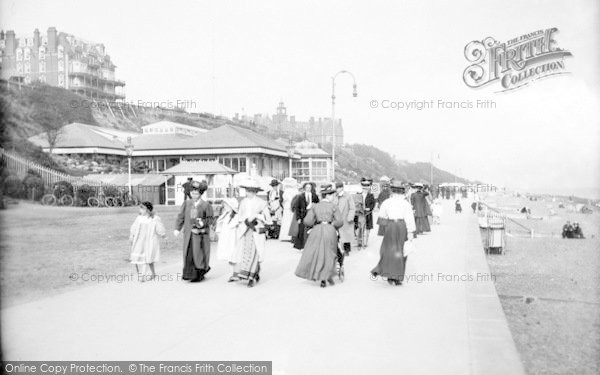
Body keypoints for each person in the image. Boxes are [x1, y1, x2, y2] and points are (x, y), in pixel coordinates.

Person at [295, 183, 343, 288]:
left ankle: (317, 274)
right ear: (328, 196)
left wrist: (315, 224)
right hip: (329, 230)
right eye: (331, 195)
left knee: (317, 253)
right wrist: (332, 224)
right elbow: (339, 222)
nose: (332, 197)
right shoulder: (334, 206)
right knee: (328, 253)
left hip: (317, 230)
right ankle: (325, 276)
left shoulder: (315, 206)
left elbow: (307, 221)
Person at [371, 181, 416, 286]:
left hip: (390, 226)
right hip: (401, 226)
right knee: (400, 250)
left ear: (393, 191)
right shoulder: (405, 204)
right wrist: (410, 232)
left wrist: (384, 229)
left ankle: (386, 272)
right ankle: (396, 277)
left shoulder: (387, 202)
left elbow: (382, 216)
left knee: (389, 250)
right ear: (402, 192)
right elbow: (409, 218)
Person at [230, 179, 272, 287]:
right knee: (243, 251)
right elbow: (240, 215)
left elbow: (268, 219)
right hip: (244, 229)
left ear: (255, 191)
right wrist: (242, 221)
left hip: (256, 229)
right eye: (247, 190)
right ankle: (241, 272)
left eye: (250, 191)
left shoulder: (262, 203)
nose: (247, 193)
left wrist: (258, 217)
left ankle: (252, 276)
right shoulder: (243, 202)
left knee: (255, 251)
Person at [174, 180, 213, 282]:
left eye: (196, 193)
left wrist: (202, 222)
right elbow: (181, 217)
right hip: (189, 234)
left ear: (200, 193)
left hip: (201, 235)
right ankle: (189, 275)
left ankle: (199, 274)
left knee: (199, 253)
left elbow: (210, 218)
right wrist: (177, 228)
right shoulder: (186, 203)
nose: (194, 195)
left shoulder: (205, 205)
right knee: (189, 253)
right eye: (192, 193)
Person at [129, 201, 166, 282]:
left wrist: (163, 234)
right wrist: (132, 236)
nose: (140, 211)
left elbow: (159, 228)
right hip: (140, 241)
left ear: (148, 210)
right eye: (140, 209)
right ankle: (153, 273)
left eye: (142, 209)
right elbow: (134, 227)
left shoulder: (154, 219)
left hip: (149, 241)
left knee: (146, 258)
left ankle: (142, 276)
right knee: (146, 259)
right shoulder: (139, 218)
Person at [215, 198, 240, 279]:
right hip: (226, 237)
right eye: (224, 205)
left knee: (233, 254)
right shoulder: (225, 214)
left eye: (226, 205)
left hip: (232, 237)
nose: (224, 206)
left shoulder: (236, 216)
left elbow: (232, 226)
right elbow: (220, 224)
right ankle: (233, 272)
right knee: (229, 254)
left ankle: (236, 272)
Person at [291, 182, 319, 250]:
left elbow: (318, 205)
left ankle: (311, 245)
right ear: (304, 188)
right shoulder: (300, 196)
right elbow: (297, 207)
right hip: (302, 215)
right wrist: (298, 218)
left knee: (311, 230)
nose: (308, 189)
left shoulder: (314, 196)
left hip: (312, 215)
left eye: (309, 187)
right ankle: (301, 246)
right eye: (307, 187)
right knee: (301, 231)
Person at [334, 181, 356, 257]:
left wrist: (350, 217)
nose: (337, 189)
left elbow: (352, 208)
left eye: (339, 187)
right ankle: (336, 250)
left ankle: (347, 250)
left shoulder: (348, 196)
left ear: (342, 188)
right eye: (336, 187)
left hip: (345, 218)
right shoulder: (334, 196)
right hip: (336, 218)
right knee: (336, 235)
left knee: (346, 235)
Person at [355, 178, 376, 246]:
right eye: (364, 187)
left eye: (366, 187)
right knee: (359, 227)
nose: (365, 189)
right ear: (362, 187)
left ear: (368, 187)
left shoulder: (371, 195)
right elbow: (355, 203)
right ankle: (359, 241)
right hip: (360, 213)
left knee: (367, 228)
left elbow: (373, 204)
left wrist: (369, 208)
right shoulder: (358, 194)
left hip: (368, 213)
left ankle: (365, 242)